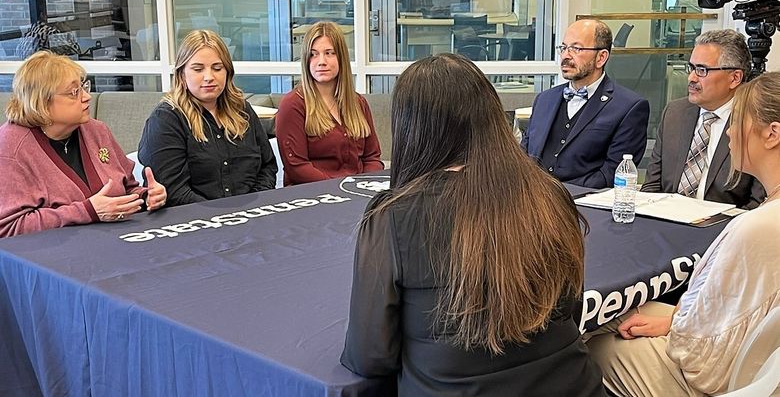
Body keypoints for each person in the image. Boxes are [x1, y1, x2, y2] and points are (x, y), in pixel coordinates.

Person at [340, 53, 606, 396]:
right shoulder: (551, 195)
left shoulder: (393, 216)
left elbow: (370, 357)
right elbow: (572, 309)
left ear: (411, 129)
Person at [586, 71, 780, 397]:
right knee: (619, 314)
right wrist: (675, 322)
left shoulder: (758, 228)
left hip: (708, 377)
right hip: (731, 352)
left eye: (737, 121)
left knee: (581, 346)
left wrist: (676, 330)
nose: (729, 132)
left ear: (772, 134)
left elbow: (702, 364)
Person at [0, 52, 166, 238]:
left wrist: (146, 197)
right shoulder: (10, 148)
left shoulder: (97, 130)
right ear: (42, 103)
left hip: (118, 242)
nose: (87, 97)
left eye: (84, 87)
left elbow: (127, 188)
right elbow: (10, 228)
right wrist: (86, 211)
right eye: (74, 92)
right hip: (54, 257)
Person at [138, 30, 277, 207]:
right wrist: (221, 216)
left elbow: (267, 166)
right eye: (198, 69)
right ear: (182, 75)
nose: (209, 77)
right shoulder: (166, 119)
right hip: (194, 221)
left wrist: (253, 206)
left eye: (217, 68)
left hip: (251, 215)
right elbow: (174, 191)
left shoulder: (242, 110)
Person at [642, 29, 764, 208]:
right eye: (691, 68)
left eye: (702, 70)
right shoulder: (675, 113)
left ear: (735, 78)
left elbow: (757, 204)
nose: (691, 78)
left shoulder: (756, 122)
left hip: (724, 231)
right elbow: (652, 186)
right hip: (665, 225)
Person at [522, 19, 650, 189]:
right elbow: (523, 156)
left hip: (584, 206)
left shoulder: (629, 107)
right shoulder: (544, 100)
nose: (566, 55)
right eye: (564, 48)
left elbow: (612, 174)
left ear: (601, 57)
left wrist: (557, 194)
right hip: (531, 201)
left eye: (576, 48)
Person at [276, 21, 383, 186]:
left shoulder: (358, 103)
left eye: (329, 53)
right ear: (305, 60)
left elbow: (372, 158)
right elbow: (297, 167)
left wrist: (365, 186)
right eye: (313, 54)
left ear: (341, 57)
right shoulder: (293, 105)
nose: (321, 61)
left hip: (357, 192)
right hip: (314, 196)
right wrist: (339, 189)